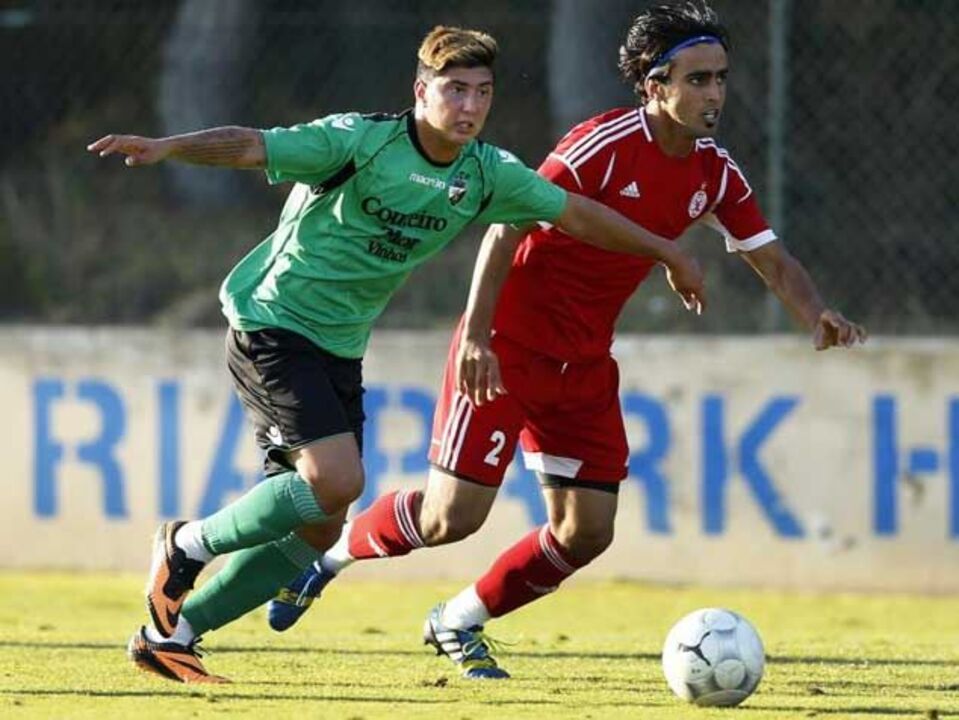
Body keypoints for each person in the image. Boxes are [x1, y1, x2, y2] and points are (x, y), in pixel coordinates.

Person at [265, 1, 867, 680]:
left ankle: (456, 620)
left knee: (587, 531)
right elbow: (505, 224)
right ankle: (331, 556)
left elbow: (772, 259)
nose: (713, 94)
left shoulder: (714, 173)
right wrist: (478, 337)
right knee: (449, 519)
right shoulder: (599, 146)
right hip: (507, 348)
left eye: (720, 78)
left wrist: (816, 312)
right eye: (697, 79)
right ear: (654, 86)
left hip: (581, 364)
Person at [87, 25, 704, 683]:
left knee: (322, 528)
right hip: (273, 322)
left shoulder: (484, 173)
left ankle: (172, 635)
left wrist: (665, 249)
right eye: (454, 89)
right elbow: (251, 144)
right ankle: (184, 545)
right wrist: (166, 148)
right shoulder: (358, 141)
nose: (469, 105)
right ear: (421, 91)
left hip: (340, 345)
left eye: (482, 92)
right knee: (338, 481)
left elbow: (574, 213)